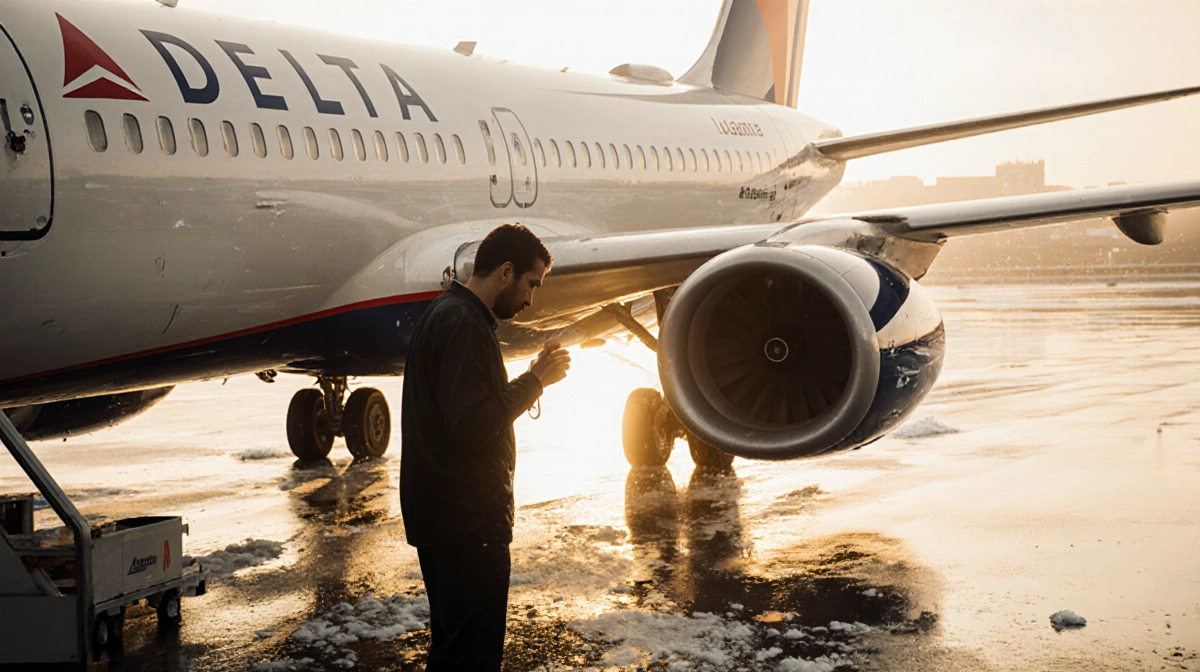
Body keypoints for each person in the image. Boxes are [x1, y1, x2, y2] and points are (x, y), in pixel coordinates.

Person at [400, 223, 571, 671]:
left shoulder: (448, 312)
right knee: (470, 657)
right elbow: (471, 426)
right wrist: (536, 382)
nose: (531, 298)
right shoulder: (462, 325)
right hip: (465, 525)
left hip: (447, 519)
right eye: (531, 284)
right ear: (506, 271)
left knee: (453, 651)